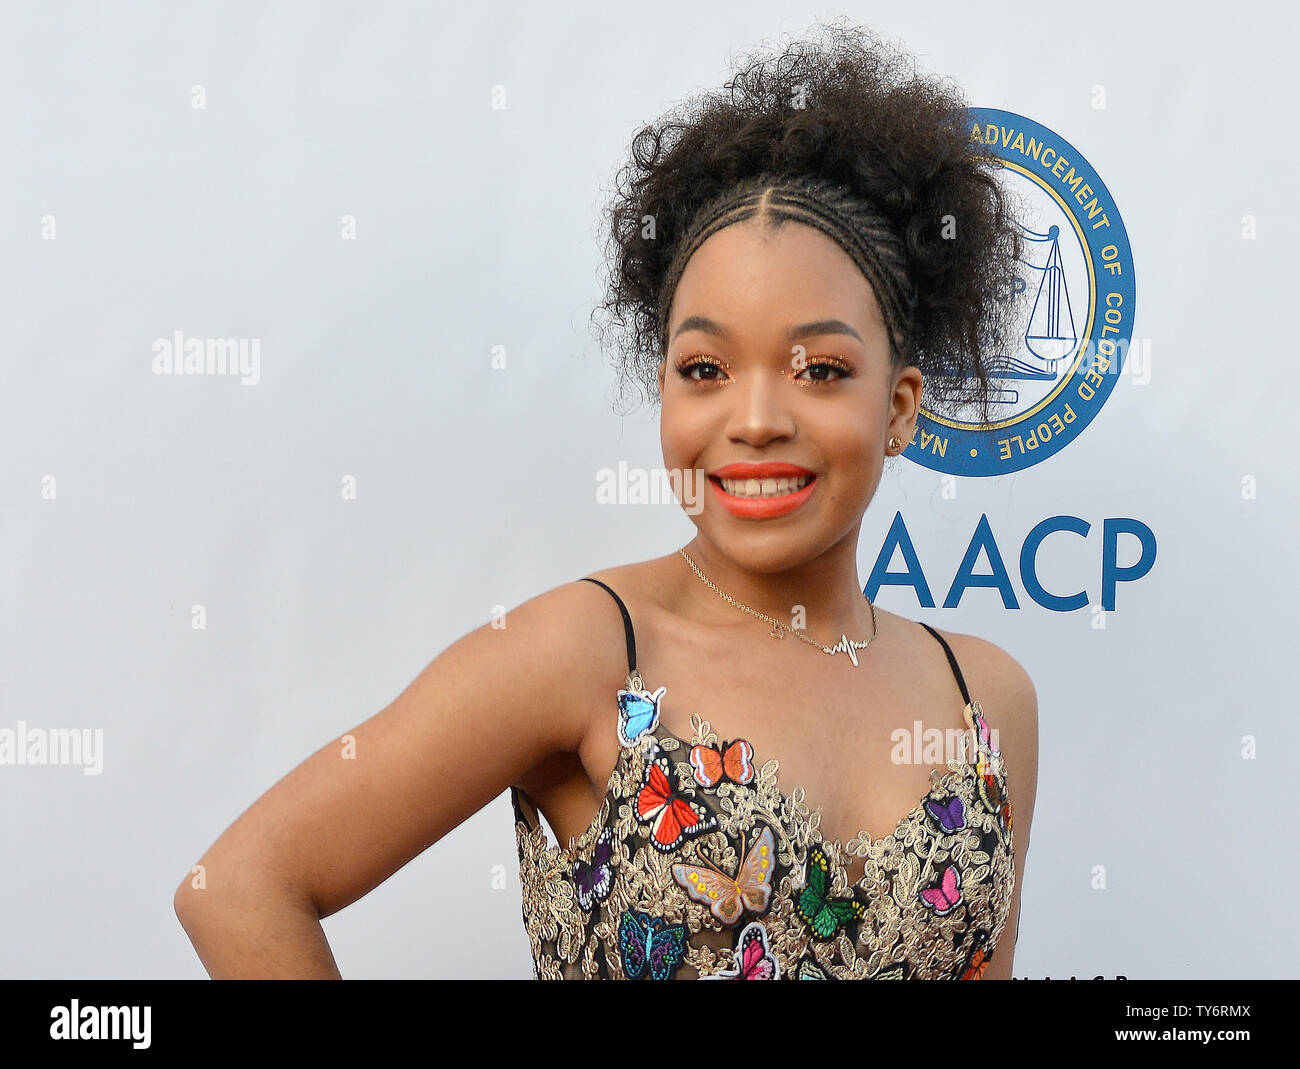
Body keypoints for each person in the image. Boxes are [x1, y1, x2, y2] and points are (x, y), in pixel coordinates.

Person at [174, 19, 1038, 980]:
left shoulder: (983, 699)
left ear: (900, 407)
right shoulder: (586, 652)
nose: (753, 419)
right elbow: (242, 885)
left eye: (820, 368)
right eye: (704, 367)